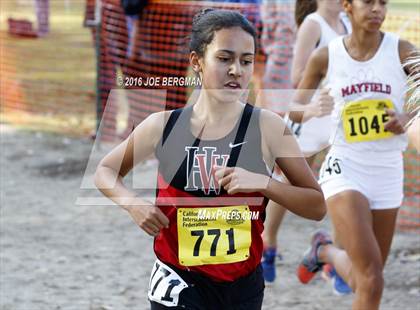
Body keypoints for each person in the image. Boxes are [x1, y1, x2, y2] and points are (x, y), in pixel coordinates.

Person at [94, 9, 326, 309]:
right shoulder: (163, 126)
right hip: (178, 279)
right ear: (197, 62)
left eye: (246, 61)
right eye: (224, 58)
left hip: (242, 284)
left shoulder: (268, 127)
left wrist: (264, 183)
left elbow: (316, 205)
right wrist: (132, 204)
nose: (236, 70)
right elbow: (105, 171)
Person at [288, 1, 417, 309]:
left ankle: (324, 252)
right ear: (347, 5)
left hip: (388, 170)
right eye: (368, 2)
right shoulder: (326, 56)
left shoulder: (403, 51)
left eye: (382, 3)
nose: (377, 10)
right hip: (345, 166)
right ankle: (326, 252)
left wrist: (407, 115)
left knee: (366, 280)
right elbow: (294, 108)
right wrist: (313, 109)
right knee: (372, 280)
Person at [261, 0, 351, 285]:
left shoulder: (348, 22)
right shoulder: (313, 24)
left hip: (339, 116)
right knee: (289, 181)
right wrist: (327, 76)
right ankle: (268, 243)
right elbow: (296, 77)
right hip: (311, 114)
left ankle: (334, 258)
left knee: (344, 184)